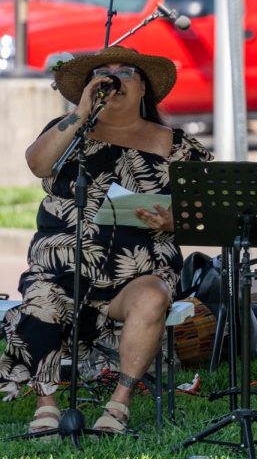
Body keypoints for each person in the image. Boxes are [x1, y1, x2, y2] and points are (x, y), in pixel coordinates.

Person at [0, 46, 212, 436]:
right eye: (103, 72)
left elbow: (209, 213)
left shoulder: (175, 144)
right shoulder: (66, 131)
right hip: (60, 270)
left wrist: (173, 219)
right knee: (42, 299)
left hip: (138, 272)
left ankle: (118, 405)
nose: (113, 79)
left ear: (144, 88)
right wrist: (80, 112)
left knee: (151, 297)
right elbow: (38, 164)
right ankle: (46, 403)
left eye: (125, 72)